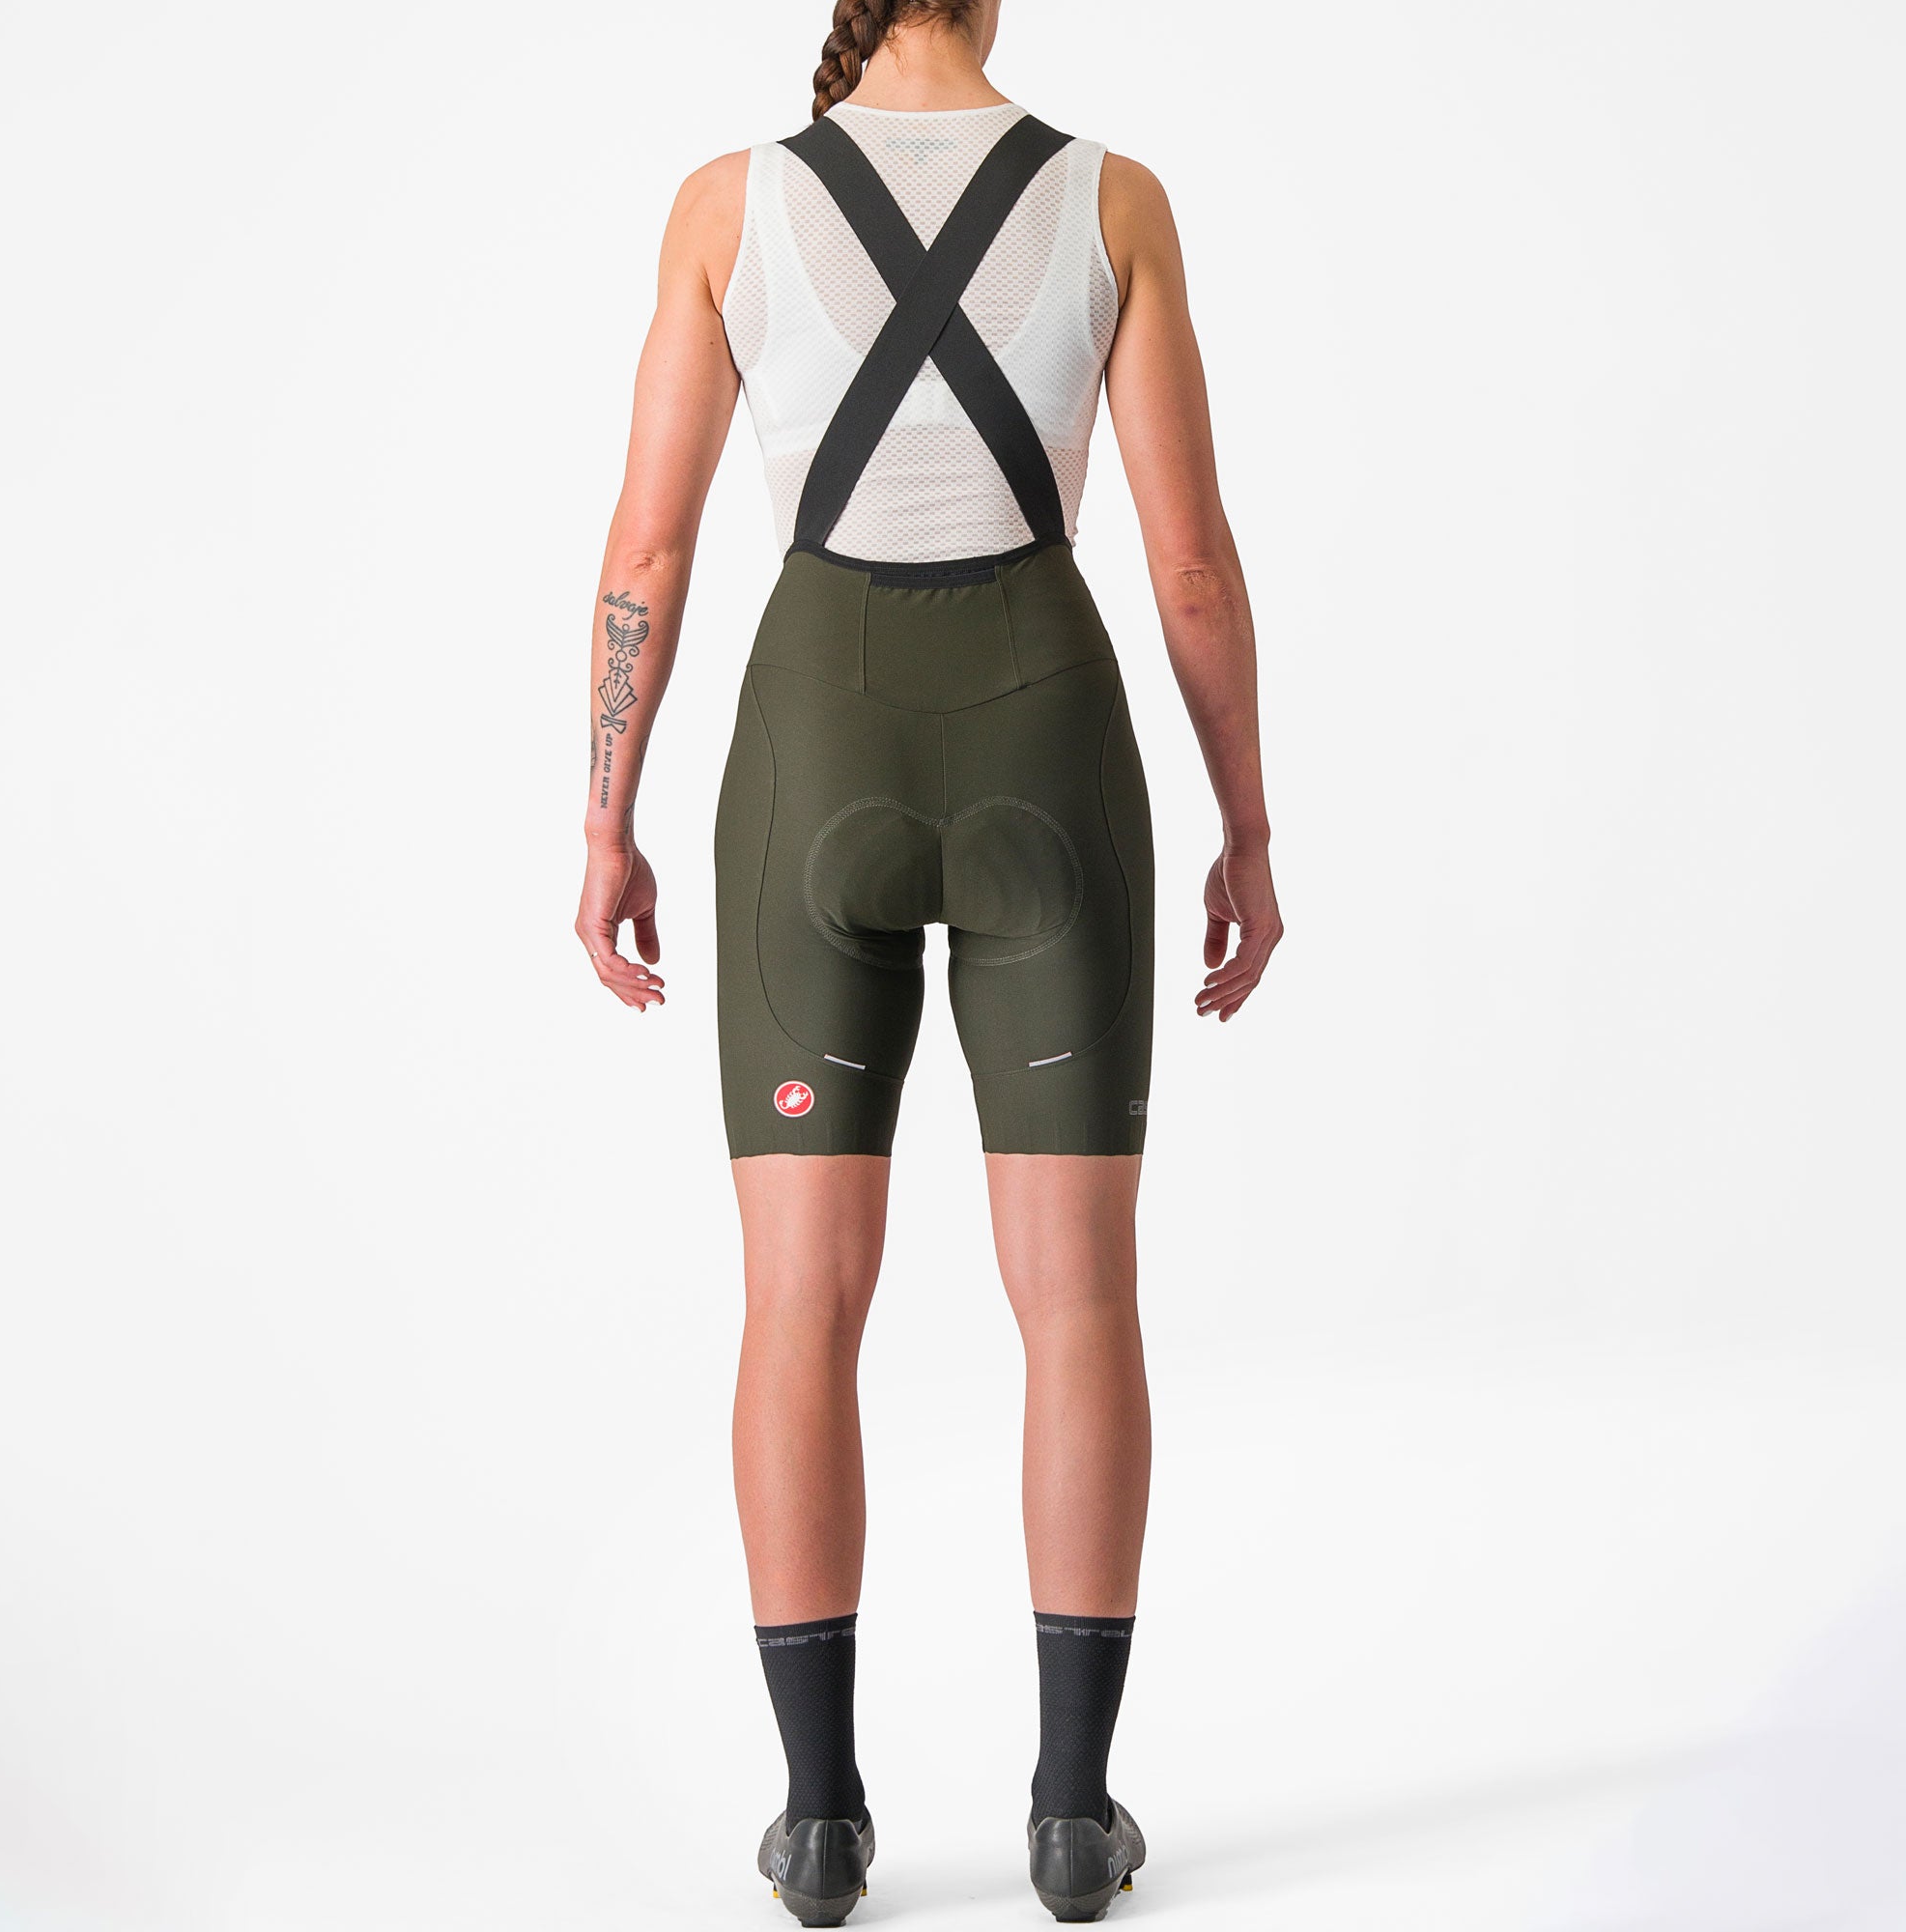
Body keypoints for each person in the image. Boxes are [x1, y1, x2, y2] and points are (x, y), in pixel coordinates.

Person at [573, 0, 1282, 1920]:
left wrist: (606, 818)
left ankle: (819, 1820)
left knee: (798, 1304)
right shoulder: (1112, 200)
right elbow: (1190, 561)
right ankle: (1071, 1814)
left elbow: (646, 552)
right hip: (1049, 744)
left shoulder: (726, 205)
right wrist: (1246, 821)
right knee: (1078, 1298)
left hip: (816, 755)